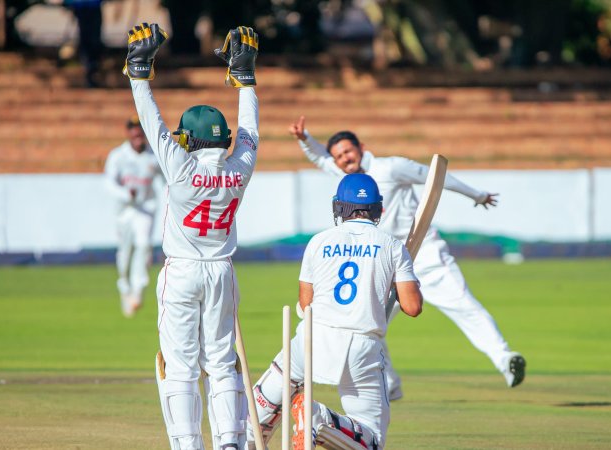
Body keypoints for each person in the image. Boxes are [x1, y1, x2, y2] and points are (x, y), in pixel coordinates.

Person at [289, 116, 526, 395]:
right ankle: (388, 382)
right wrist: (305, 140)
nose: (344, 159)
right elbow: (320, 158)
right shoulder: (346, 177)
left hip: (422, 252)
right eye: (338, 156)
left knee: (463, 304)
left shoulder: (391, 167)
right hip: (380, 259)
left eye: (347, 151)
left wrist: (476, 194)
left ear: (361, 147)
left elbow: (436, 177)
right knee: (365, 322)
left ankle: (504, 358)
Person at [124, 23, 259, 449]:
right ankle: (230, 443)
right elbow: (250, 131)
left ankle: (187, 444)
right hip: (222, 273)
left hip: (181, 271)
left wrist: (140, 71)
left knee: (179, 367)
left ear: (189, 139)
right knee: (222, 364)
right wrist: (246, 77)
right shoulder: (240, 169)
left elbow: (153, 124)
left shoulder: (180, 168)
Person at [248, 173, 423, 449]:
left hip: (312, 339)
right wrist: (407, 285)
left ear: (338, 207)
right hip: (361, 347)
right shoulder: (393, 246)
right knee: (371, 440)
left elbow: (306, 304)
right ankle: (321, 419)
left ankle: (244, 437)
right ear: (378, 208)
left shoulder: (318, 242)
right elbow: (412, 307)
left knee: (273, 390)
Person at [104, 116, 164, 318]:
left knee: (144, 244)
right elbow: (109, 183)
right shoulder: (118, 156)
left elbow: (166, 180)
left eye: (140, 130)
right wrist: (124, 193)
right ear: (128, 132)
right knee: (126, 252)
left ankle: (138, 290)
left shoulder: (153, 156)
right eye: (133, 130)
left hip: (146, 207)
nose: (137, 134)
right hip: (124, 211)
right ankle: (125, 287)